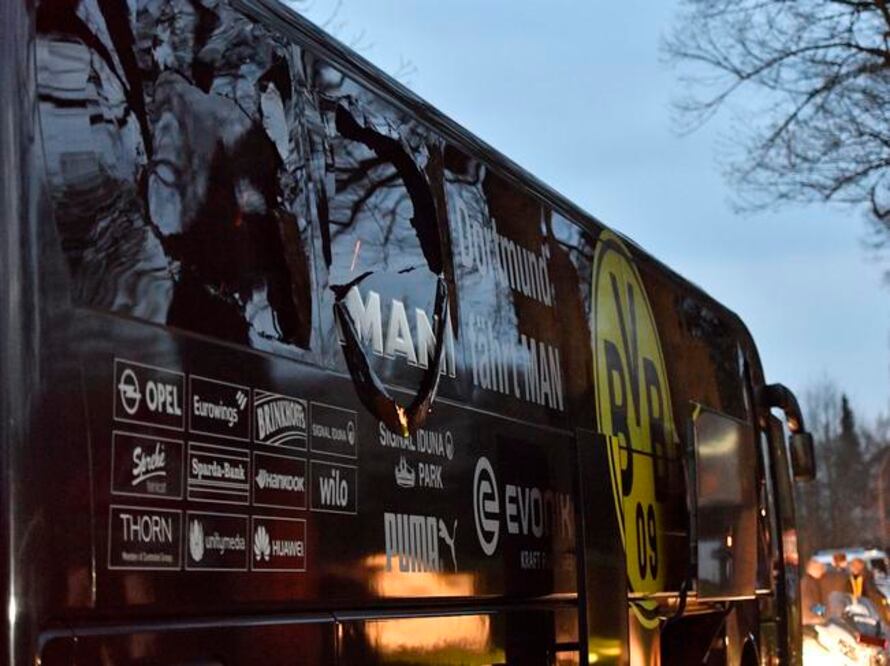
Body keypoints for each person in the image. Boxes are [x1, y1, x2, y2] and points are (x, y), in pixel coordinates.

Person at [848, 557, 889, 622]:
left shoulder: (862, 577)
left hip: (871, 604)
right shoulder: (867, 575)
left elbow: (864, 592)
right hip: (876, 603)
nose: (850, 569)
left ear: (856, 567)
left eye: (851, 566)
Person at [801, 558, 826, 624]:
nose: (823, 572)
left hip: (806, 618)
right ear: (815, 570)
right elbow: (812, 604)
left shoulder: (805, 581)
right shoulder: (811, 583)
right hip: (811, 619)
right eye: (821, 569)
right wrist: (824, 610)